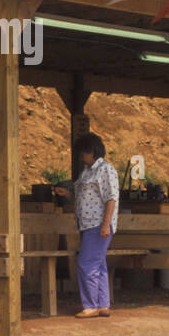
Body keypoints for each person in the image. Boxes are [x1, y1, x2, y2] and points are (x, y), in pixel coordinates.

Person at [54, 133, 119, 318]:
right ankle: (103, 304)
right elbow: (83, 198)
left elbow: (111, 198)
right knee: (98, 264)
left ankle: (90, 305)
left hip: (98, 224)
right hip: (87, 224)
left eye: (83, 153)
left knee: (86, 263)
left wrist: (106, 224)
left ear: (92, 152)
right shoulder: (86, 172)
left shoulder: (106, 170)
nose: (81, 157)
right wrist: (67, 195)